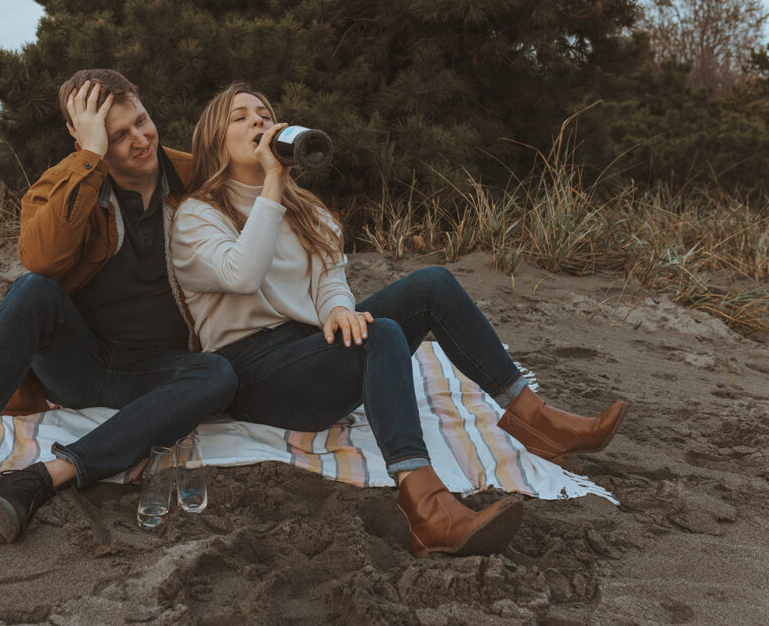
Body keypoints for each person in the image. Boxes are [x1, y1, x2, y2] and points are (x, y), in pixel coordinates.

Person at [170, 83, 627, 557]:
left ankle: (535, 419)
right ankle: (427, 509)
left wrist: (339, 312)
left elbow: (329, 283)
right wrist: (272, 183)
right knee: (382, 333)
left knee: (431, 282)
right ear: (213, 139)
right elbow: (241, 274)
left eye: (265, 114)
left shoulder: (310, 213)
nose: (259, 123)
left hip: (312, 356)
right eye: (240, 117)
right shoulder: (197, 215)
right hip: (254, 374)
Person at [0, 69, 237, 549]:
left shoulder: (192, 175)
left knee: (218, 373)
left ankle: (42, 478)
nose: (141, 140)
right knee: (32, 289)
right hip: (78, 363)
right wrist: (92, 162)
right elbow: (42, 260)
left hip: (157, 372)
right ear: (81, 138)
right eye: (117, 135)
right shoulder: (61, 185)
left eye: (142, 121)